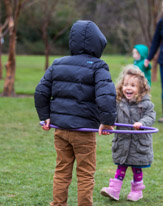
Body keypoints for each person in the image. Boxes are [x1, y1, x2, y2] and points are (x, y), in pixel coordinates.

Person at [34, 20, 117, 206]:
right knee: (85, 173)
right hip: (84, 131)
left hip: (61, 130)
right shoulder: (99, 66)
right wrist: (107, 121)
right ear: (98, 43)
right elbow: (106, 97)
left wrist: (44, 116)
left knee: (62, 171)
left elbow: (40, 92)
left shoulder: (58, 64)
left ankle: (57, 204)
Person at [100, 65, 156, 202]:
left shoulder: (146, 104)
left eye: (132, 85)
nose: (128, 88)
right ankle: (114, 190)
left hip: (138, 143)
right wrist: (109, 124)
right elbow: (113, 116)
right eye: (125, 84)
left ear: (141, 89)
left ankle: (137, 191)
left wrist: (142, 123)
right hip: (123, 141)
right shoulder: (118, 103)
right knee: (121, 166)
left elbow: (150, 116)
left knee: (136, 168)